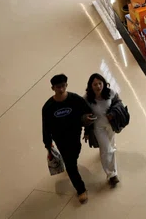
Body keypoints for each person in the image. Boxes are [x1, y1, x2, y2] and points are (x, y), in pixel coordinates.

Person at [42, 74, 93, 205]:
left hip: (75, 136)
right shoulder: (48, 107)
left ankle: (72, 166)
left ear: (66, 85)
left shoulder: (75, 99)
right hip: (60, 140)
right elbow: (46, 126)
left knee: (74, 155)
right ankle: (81, 189)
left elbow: (88, 114)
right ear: (52, 88)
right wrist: (48, 144)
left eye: (63, 86)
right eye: (58, 87)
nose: (61, 89)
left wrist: (87, 131)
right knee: (70, 164)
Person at [84, 73, 121, 188]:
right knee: (106, 149)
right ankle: (112, 174)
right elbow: (83, 114)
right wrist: (86, 127)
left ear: (104, 83)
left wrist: (114, 113)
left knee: (110, 145)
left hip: (110, 125)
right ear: (90, 86)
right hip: (98, 127)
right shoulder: (86, 99)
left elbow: (118, 103)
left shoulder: (110, 93)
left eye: (100, 83)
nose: (98, 86)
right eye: (95, 84)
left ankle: (110, 155)